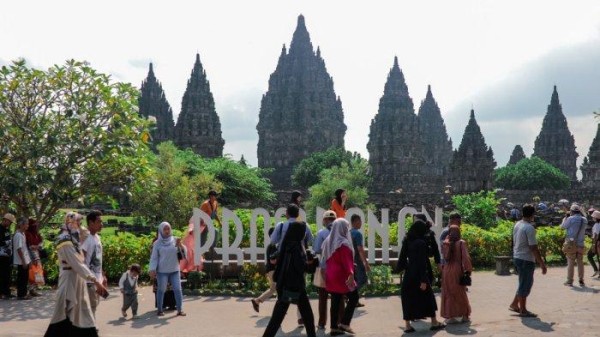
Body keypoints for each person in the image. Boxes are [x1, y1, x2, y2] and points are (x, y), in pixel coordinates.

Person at [44, 212, 108, 337]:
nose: (80, 225)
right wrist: (95, 280)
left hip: (78, 281)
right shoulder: (65, 242)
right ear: (70, 222)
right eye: (77, 222)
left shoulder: (74, 239)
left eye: (80, 223)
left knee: (81, 314)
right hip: (69, 281)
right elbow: (77, 264)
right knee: (64, 314)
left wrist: (80, 228)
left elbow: (86, 233)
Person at [262, 221, 316, 337]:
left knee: (276, 320)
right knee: (308, 316)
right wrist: (311, 263)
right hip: (296, 286)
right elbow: (300, 267)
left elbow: (275, 261)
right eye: (303, 232)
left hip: (283, 285)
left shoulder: (284, 245)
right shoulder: (297, 247)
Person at [398, 220, 445, 333]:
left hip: (409, 274)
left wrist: (401, 270)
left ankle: (408, 326)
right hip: (419, 275)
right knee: (428, 298)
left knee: (408, 299)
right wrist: (423, 280)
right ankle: (434, 322)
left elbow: (402, 258)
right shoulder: (421, 243)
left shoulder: (407, 240)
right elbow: (422, 263)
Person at [269, 204, 313, 326]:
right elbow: (310, 240)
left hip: (284, 261)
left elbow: (273, 241)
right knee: (301, 288)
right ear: (298, 214)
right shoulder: (304, 225)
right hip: (299, 261)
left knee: (282, 288)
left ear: (287, 214)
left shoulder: (281, 225)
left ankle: (280, 312)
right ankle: (301, 317)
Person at [509, 204, 547, 317]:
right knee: (525, 284)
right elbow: (533, 248)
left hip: (518, 257)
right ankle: (523, 309)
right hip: (526, 259)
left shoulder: (518, 224)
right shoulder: (529, 228)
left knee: (523, 283)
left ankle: (515, 304)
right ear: (533, 215)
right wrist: (542, 263)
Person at [322, 218, 359, 335]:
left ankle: (334, 327)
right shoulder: (343, 243)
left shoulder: (328, 241)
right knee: (354, 297)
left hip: (330, 274)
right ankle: (344, 323)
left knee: (335, 300)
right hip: (342, 276)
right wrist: (351, 274)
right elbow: (347, 261)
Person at [149, 221, 187, 317]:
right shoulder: (157, 243)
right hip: (162, 271)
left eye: (168, 229)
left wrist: (180, 245)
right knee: (161, 290)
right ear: (161, 230)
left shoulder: (175, 240)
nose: (166, 231)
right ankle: (160, 310)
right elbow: (154, 257)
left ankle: (179, 309)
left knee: (178, 289)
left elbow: (184, 253)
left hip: (174, 270)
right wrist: (152, 269)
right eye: (164, 229)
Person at [312, 210, 342, 330]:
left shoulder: (321, 233)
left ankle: (321, 323)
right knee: (339, 297)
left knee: (323, 297)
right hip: (339, 268)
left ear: (324, 220)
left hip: (324, 267)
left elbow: (317, 250)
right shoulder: (342, 232)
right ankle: (340, 322)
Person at [440, 225, 473, 323]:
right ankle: (464, 316)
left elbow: (444, 257)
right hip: (457, 270)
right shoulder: (461, 243)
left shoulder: (446, 242)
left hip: (446, 270)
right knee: (460, 293)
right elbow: (466, 258)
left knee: (449, 293)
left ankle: (451, 317)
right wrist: (468, 270)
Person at [81, 210, 105, 317]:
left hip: (98, 278)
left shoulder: (97, 238)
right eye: (99, 222)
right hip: (89, 280)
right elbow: (82, 260)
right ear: (91, 223)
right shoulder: (86, 239)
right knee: (91, 306)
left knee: (95, 304)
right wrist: (93, 279)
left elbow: (98, 258)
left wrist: (103, 275)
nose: (102, 224)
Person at [560, 203, 587, 287]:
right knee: (580, 263)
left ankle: (570, 281)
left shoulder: (570, 218)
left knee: (570, 263)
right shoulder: (584, 219)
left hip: (571, 244)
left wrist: (565, 217)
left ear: (572, 211)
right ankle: (581, 280)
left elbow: (562, 227)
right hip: (580, 243)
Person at [251, 227, 277, 312]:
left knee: (275, 289)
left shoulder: (273, 245)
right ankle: (257, 301)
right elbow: (272, 261)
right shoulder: (273, 246)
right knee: (275, 289)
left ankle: (257, 301)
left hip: (271, 270)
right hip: (273, 270)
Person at [350, 214, 369, 307]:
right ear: (355, 222)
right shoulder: (357, 234)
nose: (361, 223)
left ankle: (354, 300)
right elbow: (360, 249)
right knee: (363, 279)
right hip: (357, 260)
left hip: (350, 260)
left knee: (355, 280)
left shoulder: (348, 232)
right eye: (359, 221)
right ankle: (352, 298)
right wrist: (365, 263)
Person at [13, 217, 32, 300]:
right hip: (21, 261)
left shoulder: (23, 234)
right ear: (21, 225)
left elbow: (24, 248)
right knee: (21, 278)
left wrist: (28, 260)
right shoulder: (18, 235)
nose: (27, 226)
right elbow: (19, 249)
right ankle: (21, 294)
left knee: (25, 277)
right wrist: (24, 261)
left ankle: (24, 293)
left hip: (25, 259)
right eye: (26, 224)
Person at [25, 218, 43, 297]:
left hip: (37, 255)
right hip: (30, 256)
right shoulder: (27, 234)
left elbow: (41, 243)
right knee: (31, 274)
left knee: (37, 273)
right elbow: (29, 247)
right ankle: (29, 290)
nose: (35, 226)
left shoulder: (36, 234)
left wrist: (37, 246)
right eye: (33, 225)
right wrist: (36, 247)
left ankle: (34, 290)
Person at [0, 213, 16, 299]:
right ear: (5, 220)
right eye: (10, 222)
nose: (10, 224)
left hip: (7, 256)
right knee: (2, 275)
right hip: (1, 256)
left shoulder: (7, 230)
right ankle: (2, 293)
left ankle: (7, 292)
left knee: (7, 275)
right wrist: (8, 242)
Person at [588, 211, 600, 277]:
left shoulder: (596, 225)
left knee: (589, 256)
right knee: (598, 257)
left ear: (596, 217)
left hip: (596, 243)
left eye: (593, 217)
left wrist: (593, 245)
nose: (592, 218)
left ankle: (596, 270)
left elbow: (596, 236)